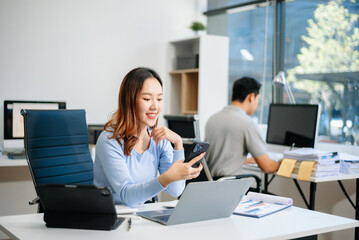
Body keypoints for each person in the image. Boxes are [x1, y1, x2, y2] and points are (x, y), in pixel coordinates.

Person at [94, 67, 204, 206]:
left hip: (142, 216)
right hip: (114, 218)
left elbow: (175, 191)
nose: (155, 106)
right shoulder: (109, 140)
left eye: (159, 99)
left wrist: (178, 144)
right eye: (147, 99)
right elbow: (127, 195)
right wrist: (166, 178)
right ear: (129, 101)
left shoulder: (159, 140)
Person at [204, 76, 280, 178]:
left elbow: (220, 157)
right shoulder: (248, 124)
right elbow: (268, 167)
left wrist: (245, 160)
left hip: (210, 184)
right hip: (229, 187)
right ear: (251, 97)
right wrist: (284, 162)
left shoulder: (212, 119)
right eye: (258, 99)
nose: (257, 103)